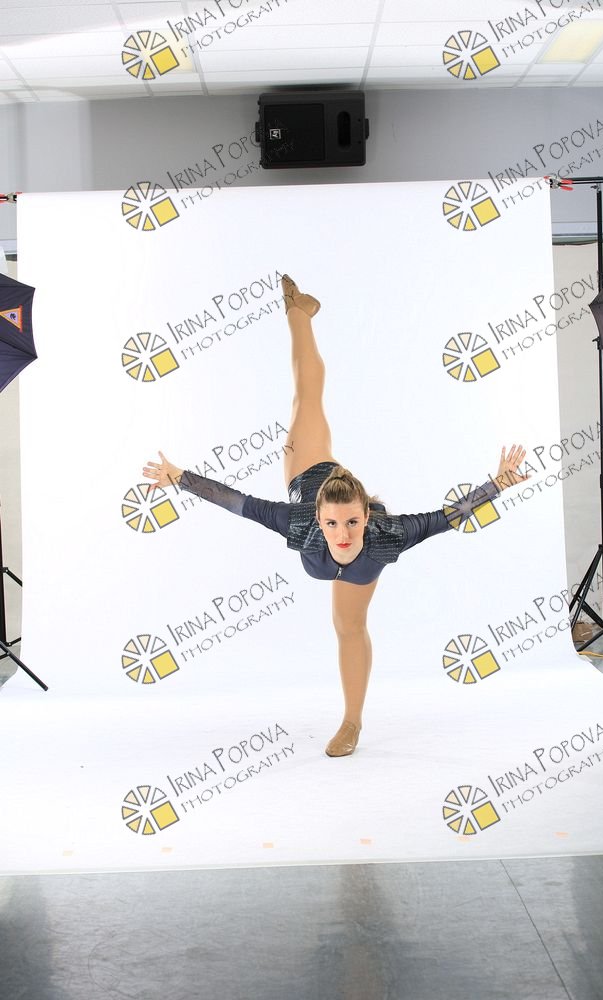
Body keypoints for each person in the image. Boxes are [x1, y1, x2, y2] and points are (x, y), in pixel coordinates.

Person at [144, 275, 527, 758]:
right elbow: (236, 501)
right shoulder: (298, 520)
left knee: (349, 628)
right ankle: (298, 312)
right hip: (311, 469)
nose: (342, 534)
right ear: (317, 519)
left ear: (366, 516)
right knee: (305, 394)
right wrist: (179, 477)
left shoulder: (387, 535)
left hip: (356, 548)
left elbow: (446, 517)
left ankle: (352, 722)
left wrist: (498, 484)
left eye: (351, 523)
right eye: (332, 524)